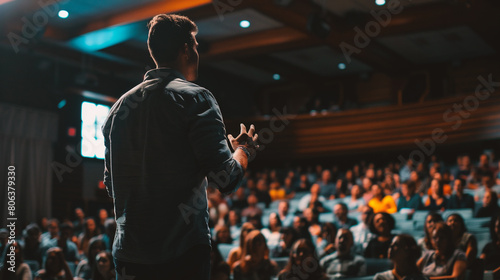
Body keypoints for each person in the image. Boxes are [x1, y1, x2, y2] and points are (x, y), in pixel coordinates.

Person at [102, 14, 259, 280]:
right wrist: (243, 151)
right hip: (179, 254)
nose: (197, 53)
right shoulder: (196, 98)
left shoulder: (117, 110)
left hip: (129, 255)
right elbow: (226, 178)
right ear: (186, 49)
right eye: (196, 46)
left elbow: (110, 186)